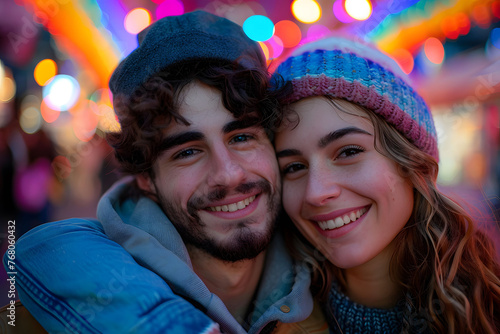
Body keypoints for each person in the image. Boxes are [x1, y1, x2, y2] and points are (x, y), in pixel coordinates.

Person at [4, 11, 328, 333]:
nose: (228, 174)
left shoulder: (337, 294)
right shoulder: (46, 321)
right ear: (146, 178)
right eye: (187, 152)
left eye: (242, 137)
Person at [272, 36, 500, 333]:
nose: (316, 192)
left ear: (410, 161)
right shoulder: (265, 321)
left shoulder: (488, 308)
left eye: (348, 151)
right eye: (294, 167)